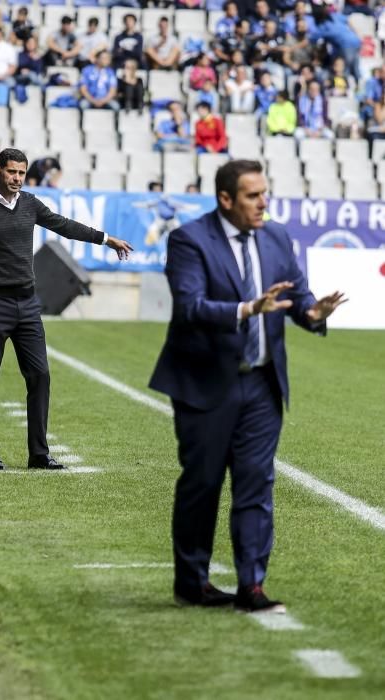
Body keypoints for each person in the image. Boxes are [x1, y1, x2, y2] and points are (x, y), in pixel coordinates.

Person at [149, 159, 345, 609]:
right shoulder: (189, 239)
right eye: (253, 196)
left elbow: (296, 294)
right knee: (203, 484)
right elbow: (190, 307)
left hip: (261, 385)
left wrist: (312, 314)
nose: (263, 203)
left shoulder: (276, 236)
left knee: (257, 482)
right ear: (226, 199)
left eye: (264, 193)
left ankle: (252, 585)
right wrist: (245, 309)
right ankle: (192, 582)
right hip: (205, 381)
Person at [0, 148, 132, 471]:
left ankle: (39, 454)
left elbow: (63, 225)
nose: (17, 178)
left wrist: (105, 239)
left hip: (28, 304)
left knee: (40, 376)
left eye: (21, 173)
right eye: (11, 172)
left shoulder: (30, 204)